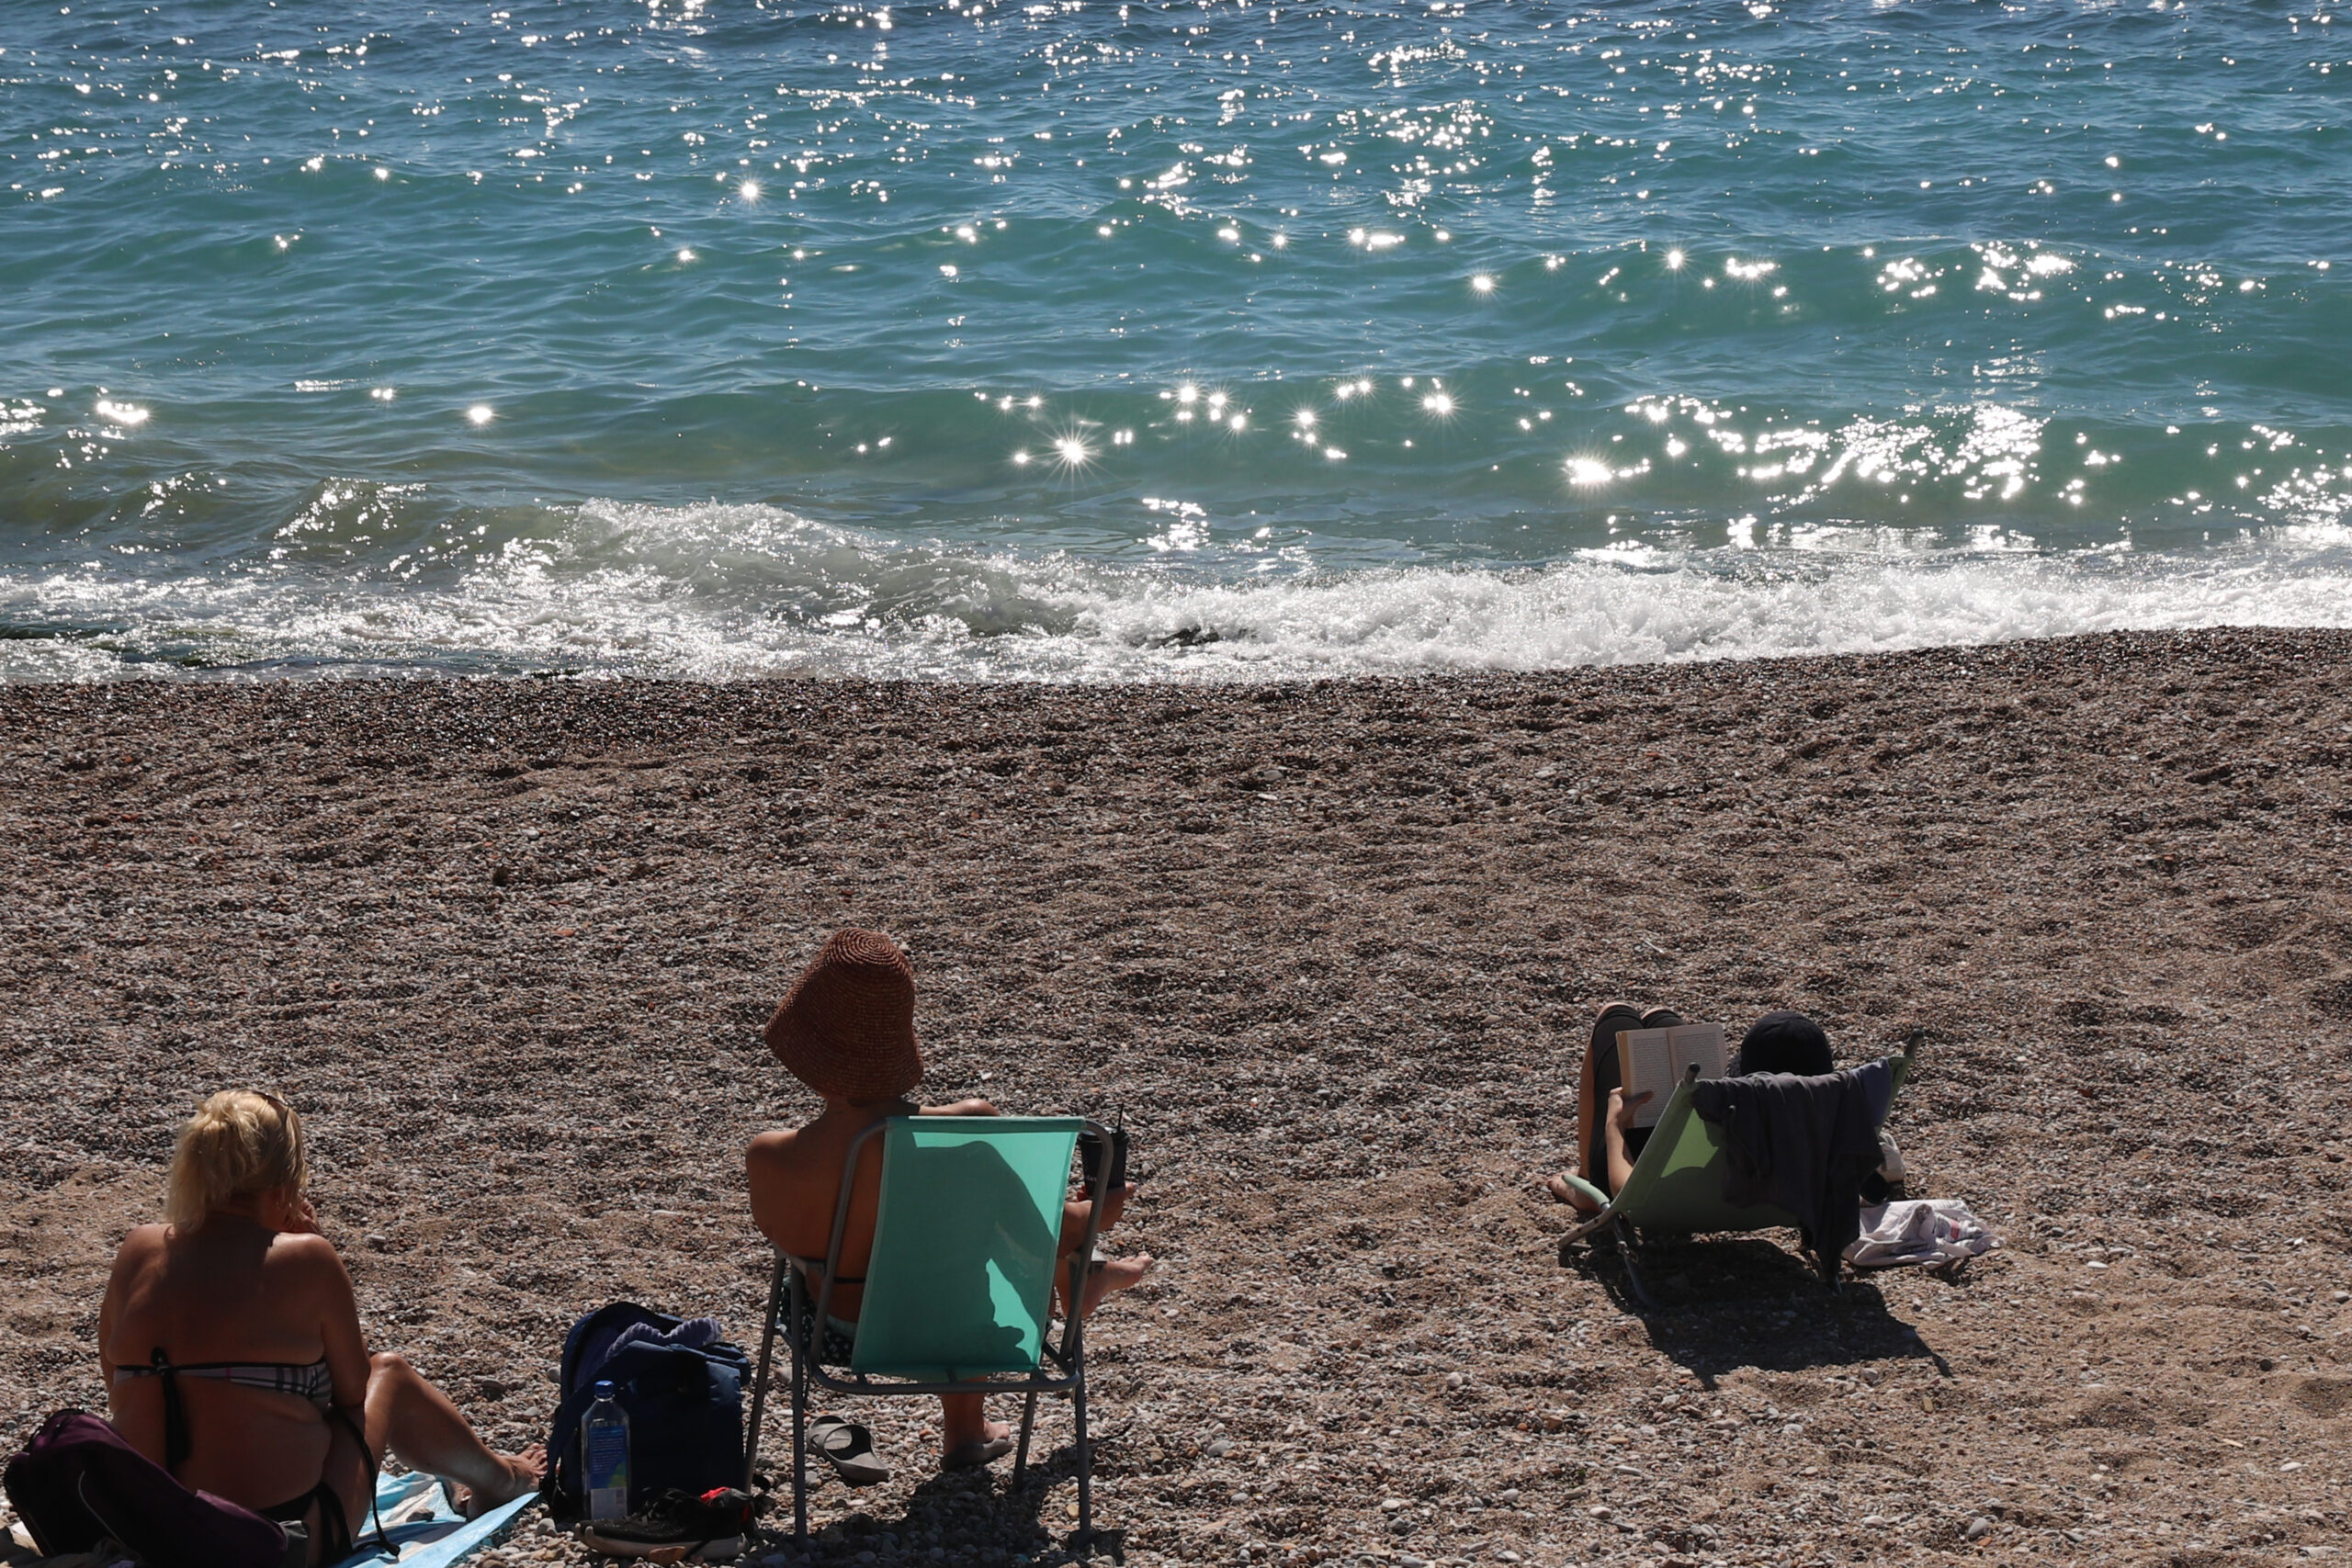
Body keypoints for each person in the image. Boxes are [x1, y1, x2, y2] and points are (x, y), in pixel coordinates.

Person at [746, 929, 1153, 1472]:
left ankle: (1085, 1277)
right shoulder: (967, 1132)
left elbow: (788, 1244)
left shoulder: (770, 1155)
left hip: (835, 1337)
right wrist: (1105, 1205)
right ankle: (1078, 1284)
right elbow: (1052, 1236)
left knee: (932, 1242)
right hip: (956, 1335)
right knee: (973, 1242)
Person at [96, 1090, 545, 1561]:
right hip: (277, 1544)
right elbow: (352, 1391)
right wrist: (307, 1244)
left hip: (152, 1535)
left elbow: (117, 1385)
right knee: (389, 1374)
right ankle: (501, 1479)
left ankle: (484, 1473)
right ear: (285, 1181)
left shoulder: (139, 1248)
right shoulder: (307, 1258)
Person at [1544, 1005, 1838, 1215]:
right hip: (1713, 1187)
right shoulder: (1834, 1135)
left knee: (1613, 1017)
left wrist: (1615, 1125)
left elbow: (1629, 1196)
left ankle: (1585, 1181)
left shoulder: (1738, 1122)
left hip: (1655, 1187)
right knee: (1661, 1018)